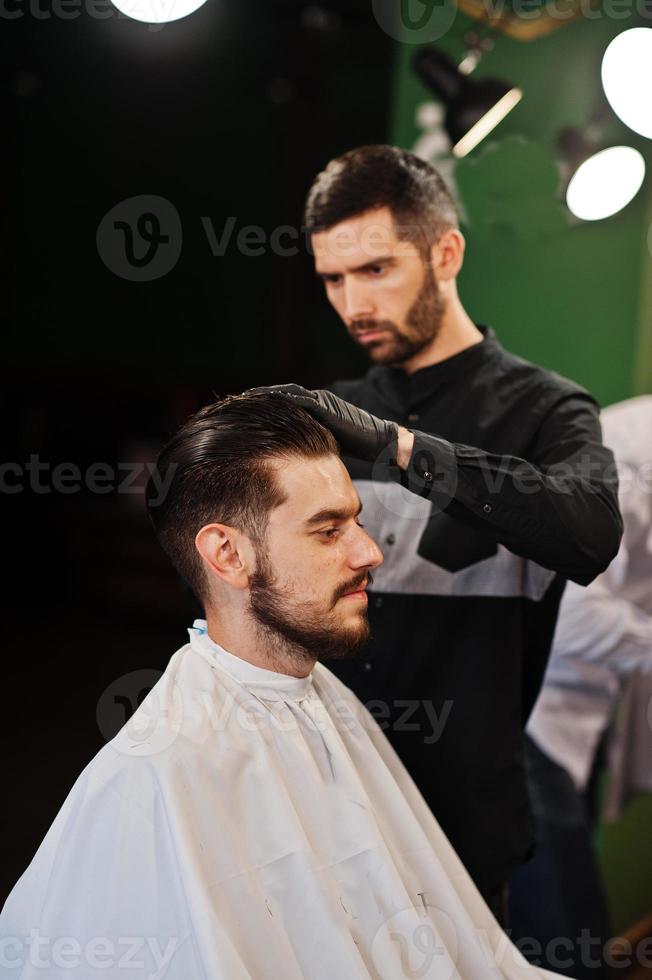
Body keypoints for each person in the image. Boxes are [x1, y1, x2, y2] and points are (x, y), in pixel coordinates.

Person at [0, 392, 565, 980]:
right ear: (228, 555)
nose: (369, 552)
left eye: (358, 521)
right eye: (327, 531)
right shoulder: (156, 770)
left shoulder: (325, 695)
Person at [254, 144, 623, 920]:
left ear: (445, 252)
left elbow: (589, 534)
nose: (353, 303)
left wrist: (398, 449)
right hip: (323, 811)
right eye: (333, 278)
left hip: (464, 821)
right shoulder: (327, 412)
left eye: (377, 269)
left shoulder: (548, 411)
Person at [509, 395, 652, 979]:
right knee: (565, 939)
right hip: (532, 716)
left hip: (588, 721)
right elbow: (573, 615)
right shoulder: (625, 458)